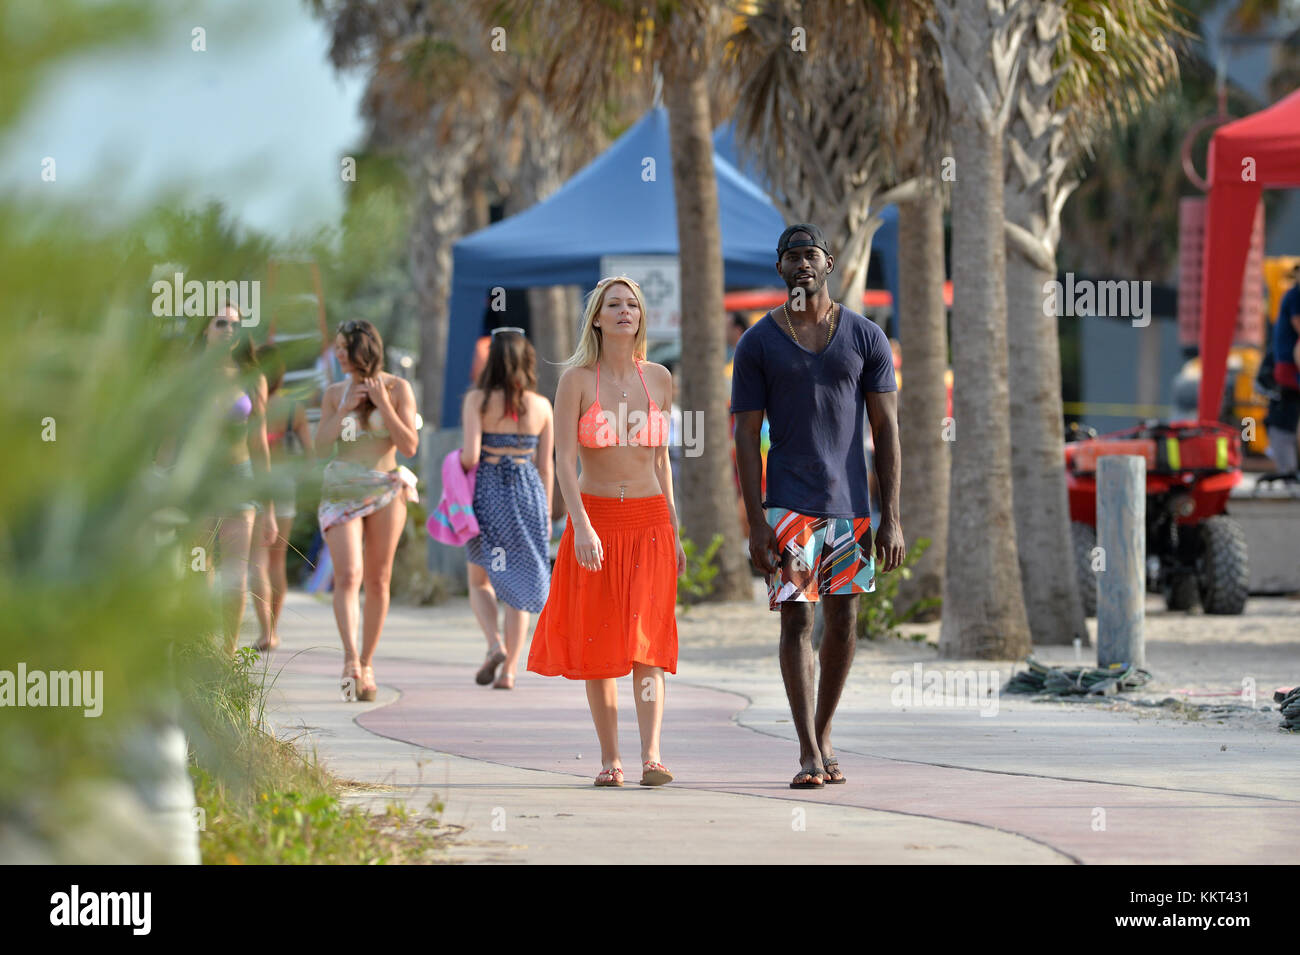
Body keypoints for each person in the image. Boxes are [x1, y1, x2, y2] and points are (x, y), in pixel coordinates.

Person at [731, 223, 904, 789]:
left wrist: (891, 518)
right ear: (779, 269)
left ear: (829, 263)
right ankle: (807, 748)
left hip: (851, 506)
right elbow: (743, 436)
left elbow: (886, 429)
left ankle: (824, 730)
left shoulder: (865, 337)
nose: (802, 264)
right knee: (797, 618)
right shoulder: (757, 343)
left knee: (845, 620)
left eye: (811, 255)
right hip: (787, 505)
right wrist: (756, 521)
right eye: (791, 257)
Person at [526, 276, 684, 788]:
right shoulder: (575, 380)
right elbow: (563, 462)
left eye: (632, 304)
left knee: (646, 641)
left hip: (651, 522)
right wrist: (581, 527)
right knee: (599, 642)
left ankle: (652, 756)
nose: (625, 312)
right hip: (595, 520)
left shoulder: (659, 377)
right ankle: (611, 758)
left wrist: (676, 530)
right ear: (596, 317)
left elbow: (662, 462)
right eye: (613, 304)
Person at [315, 320, 420, 702]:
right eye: (337, 347)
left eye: (344, 348)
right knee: (348, 575)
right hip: (342, 485)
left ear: (364, 348)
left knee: (378, 579)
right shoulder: (333, 392)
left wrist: (384, 405)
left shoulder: (398, 387)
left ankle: (368, 661)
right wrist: (344, 407)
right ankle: (350, 661)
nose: (338, 354)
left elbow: (409, 445)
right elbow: (319, 446)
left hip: (385, 486)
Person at [460, 327, 555, 689]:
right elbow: (545, 466)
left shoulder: (477, 401)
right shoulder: (541, 405)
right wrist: (545, 513)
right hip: (528, 493)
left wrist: (460, 466)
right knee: (521, 581)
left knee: (480, 579)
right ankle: (511, 670)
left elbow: (470, 456)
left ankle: (493, 643)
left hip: (488, 494)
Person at [188, 302, 277, 654]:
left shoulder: (253, 377)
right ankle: (201, 648)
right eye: (220, 322)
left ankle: (226, 655)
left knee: (235, 575)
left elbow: (260, 443)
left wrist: (269, 505)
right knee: (199, 570)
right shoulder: (190, 374)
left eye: (234, 324)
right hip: (197, 480)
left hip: (240, 478)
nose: (228, 329)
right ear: (205, 330)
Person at [249, 343, 313, 652]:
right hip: (285, 486)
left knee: (256, 562)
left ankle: (264, 631)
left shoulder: (249, 403)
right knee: (276, 561)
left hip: (254, 482)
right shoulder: (294, 410)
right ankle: (274, 627)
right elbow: (311, 456)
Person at [1264, 265, 1300, 475]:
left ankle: (1288, 467)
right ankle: (1287, 469)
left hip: (1287, 370)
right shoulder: (1295, 296)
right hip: (1287, 369)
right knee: (1285, 418)